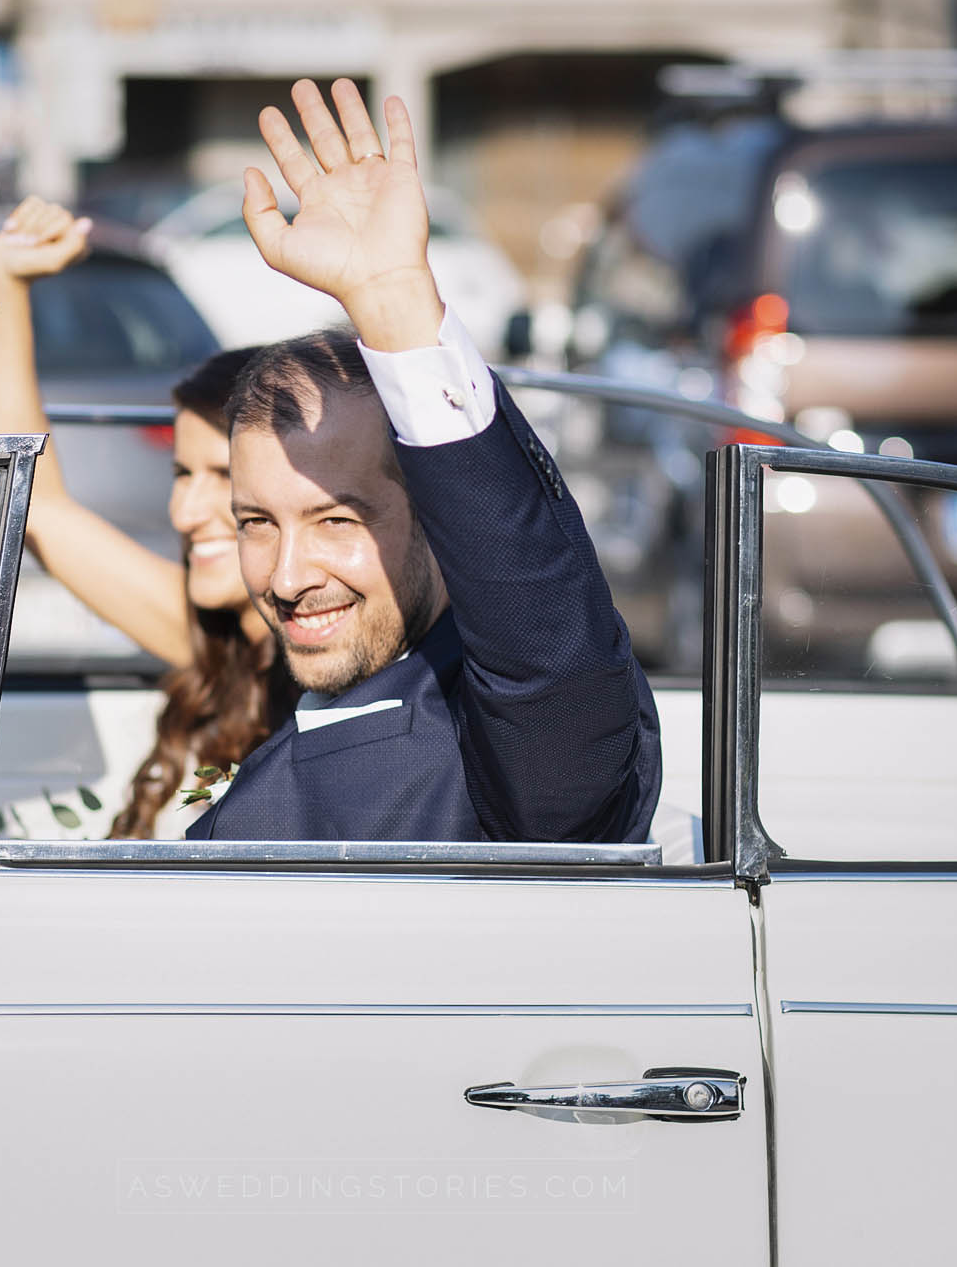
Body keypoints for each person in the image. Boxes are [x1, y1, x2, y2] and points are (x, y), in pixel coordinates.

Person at [186, 78, 659, 845]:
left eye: (337, 518)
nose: (285, 575)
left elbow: (541, 638)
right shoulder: (286, 734)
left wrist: (395, 301)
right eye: (257, 522)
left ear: (443, 521)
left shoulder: (519, 755)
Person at [0, 200, 295, 838]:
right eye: (180, 474)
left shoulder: (338, 666)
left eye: (225, 480)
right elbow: (31, 506)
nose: (184, 511)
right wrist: (5, 285)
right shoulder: (219, 638)